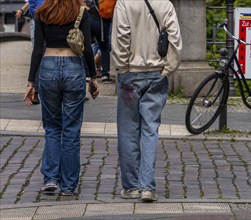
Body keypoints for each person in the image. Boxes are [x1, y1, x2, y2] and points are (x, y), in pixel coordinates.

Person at [24, 0, 99, 196]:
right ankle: (69, 185)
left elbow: (37, 50)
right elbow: (88, 49)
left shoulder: (42, 12)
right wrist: (92, 77)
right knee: (72, 128)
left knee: (52, 126)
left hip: (48, 67)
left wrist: (31, 81)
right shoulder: (80, 13)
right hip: (74, 67)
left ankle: (50, 178)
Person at [111, 0, 182, 202]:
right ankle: (148, 186)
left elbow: (121, 36)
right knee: (151, 129)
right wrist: (168, 69)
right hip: (157, 72)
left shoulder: (124, 2)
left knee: (128, 131)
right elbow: (175, 39)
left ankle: (132, 187)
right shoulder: (165, 4)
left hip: (130, 73)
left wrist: (122, 66)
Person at [84, 0, 113, 84]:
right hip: (102, 20)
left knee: (86, 46)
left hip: (89, 16)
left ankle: (87, 75)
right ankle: (105, 76)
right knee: (104, 47)